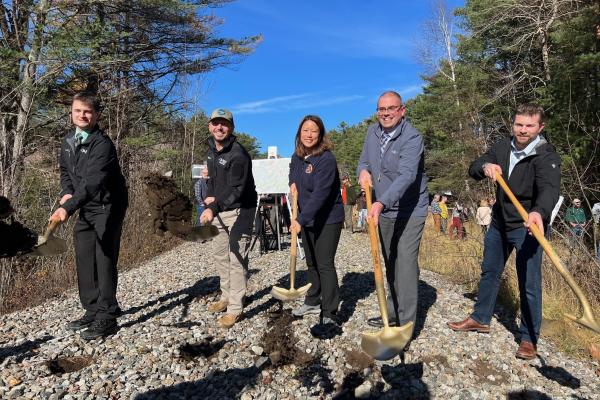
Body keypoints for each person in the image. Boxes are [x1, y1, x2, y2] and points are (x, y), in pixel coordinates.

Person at [447, 103, 561, 360]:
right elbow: (474, 167)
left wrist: (538, 212)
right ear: (513, 124)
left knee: (529, 283)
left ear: (540, 127)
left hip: (528, 226)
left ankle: (529, 338)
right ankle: (480, 318)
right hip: (500, 222)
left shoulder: (546, 156)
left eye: (529, 126)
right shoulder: (502, 147)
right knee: (490, 271)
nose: (523, 130)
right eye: (519, 124)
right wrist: (486, 166)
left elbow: (549, 190)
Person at [52, 92, 128, 340]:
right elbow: (66, 172)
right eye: (78, 111)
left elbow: (93, 181)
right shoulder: (68, 141)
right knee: (84, 257)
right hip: (86, 205)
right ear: (71, 113)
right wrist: (66, 193)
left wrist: (68, 206)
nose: (82, 115)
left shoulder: (102, 144)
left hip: (108, 205)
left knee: (103, 258)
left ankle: (107, 316)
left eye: (87, 112)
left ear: (96, 115)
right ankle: (92, 309)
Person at [357, 91, 429, 334]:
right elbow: (364, 161)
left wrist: (380, 203)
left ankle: (406, 325)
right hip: (384, 209)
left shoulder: (412, 137)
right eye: (381, 109)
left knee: (405, 263)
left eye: (391, 108)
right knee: (389, 262)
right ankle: (393, 312)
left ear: (402, 110)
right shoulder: (372, 132)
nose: (385, 113)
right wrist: (363, 172)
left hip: (410, 209)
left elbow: (407, 176)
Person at [200, 108, 258, 329]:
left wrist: (212, 208)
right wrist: (208, 196)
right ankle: (226, 296)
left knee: (236, 258)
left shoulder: (238, 154)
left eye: (224, 123)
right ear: (210, 126)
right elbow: (215, 182)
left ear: (231, 127)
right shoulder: (211, 151)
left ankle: (235, 308)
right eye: (216, 123)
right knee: (220, 254)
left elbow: (237, 190)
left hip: (241, 210)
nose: (219, 127)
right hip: (219, 209)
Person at [289, 115, 344, 329]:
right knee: (311, 262)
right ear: (299, 133)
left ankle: (330, 311)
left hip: (328, 218)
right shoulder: (297, 157)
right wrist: (292, 183)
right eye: (305, 130)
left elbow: (321, 194)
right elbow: (293, 175)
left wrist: (300, 219)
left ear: (320, 134)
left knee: (324, 263)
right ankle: (313, 300)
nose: (309, 135)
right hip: (307, 218)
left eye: (314, 131)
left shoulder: (326, 159)